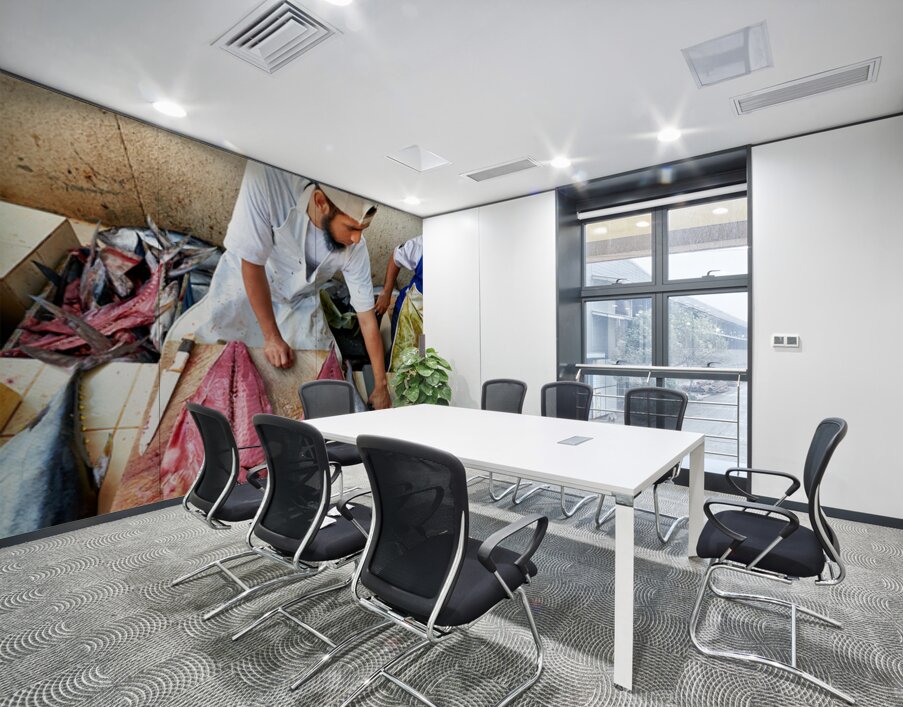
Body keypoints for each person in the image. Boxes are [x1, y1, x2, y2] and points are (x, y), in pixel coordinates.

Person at [173, 160, 391, 409]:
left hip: (298, 298)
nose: (357, 238)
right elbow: (252, 264)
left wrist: (381, 385)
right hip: (248, 280)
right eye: (351, 227)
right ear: (320, 202)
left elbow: (366, 318)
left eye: (363, 229)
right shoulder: (268, 178)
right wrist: (272, 337)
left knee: (315, 366)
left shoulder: (356, 250)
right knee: (216, 356)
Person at [374, 235, 422, 339]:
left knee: (424, 347)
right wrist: (386, 293)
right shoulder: (424, 245)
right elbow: (397, 256)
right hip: (408, 316)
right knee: (400, 346)